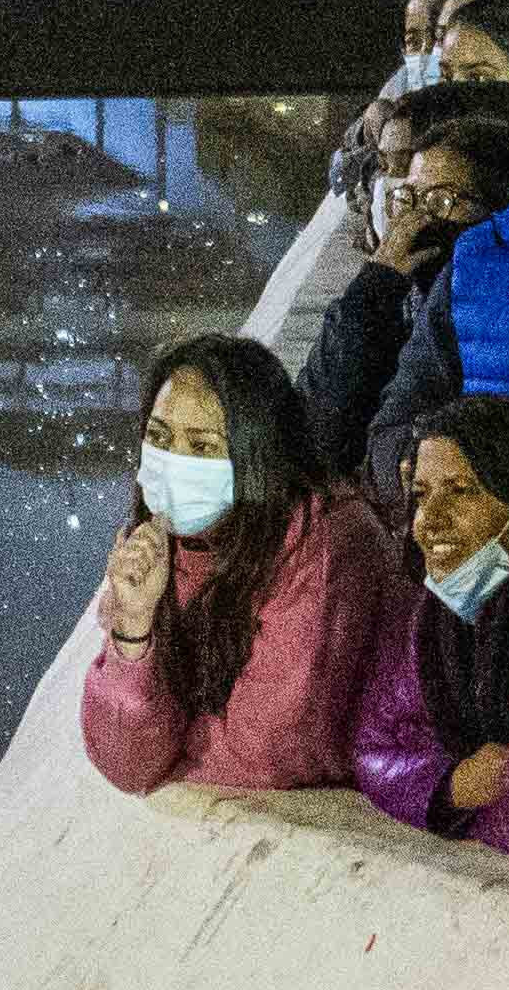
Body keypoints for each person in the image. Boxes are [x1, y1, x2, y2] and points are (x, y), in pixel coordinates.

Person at [85, 332, 409, 801]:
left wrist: (170, 749)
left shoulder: (325, 543)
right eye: (159, 438)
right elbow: (126, 763)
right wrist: (133, 627)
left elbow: (274, 747)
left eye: (201, 446)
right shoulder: (168, 542)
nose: (173, 462)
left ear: (257, 451)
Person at [354, 393, 509, 850]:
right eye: (421, 495)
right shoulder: (435, 612)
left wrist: (461, 824)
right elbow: (371, 749)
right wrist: (454, 787)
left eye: (462, 492)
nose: (429, 520)